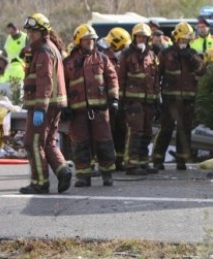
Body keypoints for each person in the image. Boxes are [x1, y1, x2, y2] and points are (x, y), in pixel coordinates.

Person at [19, 13, 72, 194]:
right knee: (48, 142)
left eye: (34, 31)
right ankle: (62, 170)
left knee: (32, 142)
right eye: (29, 31)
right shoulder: (47, 48)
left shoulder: (43, 51)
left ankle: (40, 183)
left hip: (43, 105)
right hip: (52, 104)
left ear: (43, 32)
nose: (31, 34)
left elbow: (45, 81)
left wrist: (40, 108)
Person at [63, 24, 119, 187]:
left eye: (92, 40)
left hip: (100, 110)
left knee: (104, 142)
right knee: (80, 144)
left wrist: (114, 99)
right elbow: (62, 85)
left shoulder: (102, 58)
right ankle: (83, 176)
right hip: (77, 112)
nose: (90, 43)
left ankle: (107, 174)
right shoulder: (68, 62)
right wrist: (64, 106)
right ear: (78, 41)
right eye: (86, 40)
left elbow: (112, 78)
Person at [152, 22, 205, 170]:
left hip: (188, 100)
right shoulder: (166, 54)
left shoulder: (193, 54)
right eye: (182, 39)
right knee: (166, 129)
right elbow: (157, 74)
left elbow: (202, 71)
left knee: (185, 130)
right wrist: (157, 96)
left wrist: (192, 59)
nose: (184, 42)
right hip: (170, 99)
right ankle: (157, 159)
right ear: (176, 38)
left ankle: (181, 161)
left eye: (187, 40)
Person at [118, 23, 160, 176]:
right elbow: (120, 79)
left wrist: (157, 98)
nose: (141, 39)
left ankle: (143, 162)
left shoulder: (151, 55)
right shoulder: (126, 55)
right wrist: (120, 100)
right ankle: (131, 163)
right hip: (133, 101)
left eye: (144, 36)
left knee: (147, 133)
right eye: (139, 36)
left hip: (149, 101)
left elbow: (155, 79)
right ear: (134, 37)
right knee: (135, 132)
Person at [101, 27, 131, 171]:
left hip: (123, 101)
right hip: (108, 101)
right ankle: (107, 162)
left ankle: (119, 160)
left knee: (121, 131)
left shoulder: (124, 58)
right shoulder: (104, 58)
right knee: (108, 132)